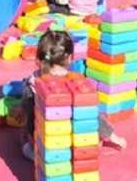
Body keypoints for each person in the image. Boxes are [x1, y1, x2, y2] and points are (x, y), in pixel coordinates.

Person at [20, 31, 126, 161]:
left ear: (40, 58)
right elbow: (90, 114)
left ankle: (34, 149)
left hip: (42, 138)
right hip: (61, 137)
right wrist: (112, 135)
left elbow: (29, 118)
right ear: (70, 58)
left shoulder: (31, 82)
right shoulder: (70, 83)